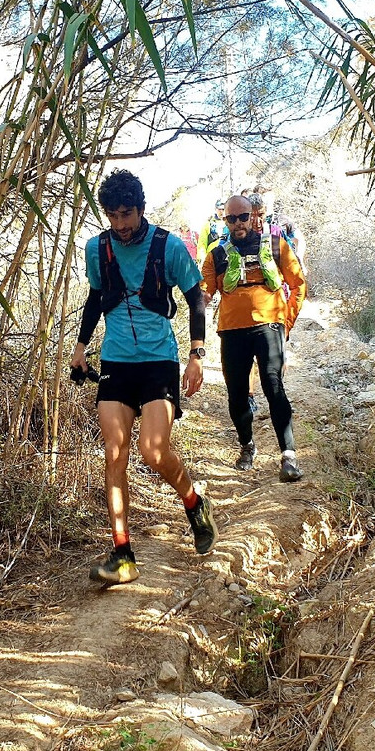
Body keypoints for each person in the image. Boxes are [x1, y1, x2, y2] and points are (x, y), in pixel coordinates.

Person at [71, 169, 216, 585]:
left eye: (127, 214)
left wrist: (196, 354)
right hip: (116, 359)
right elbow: (96, 297)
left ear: (141, 208)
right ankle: (122, 554)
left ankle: (194, 504)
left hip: (158, 360)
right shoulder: (97, 249)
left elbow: (194, 298)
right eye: (112, 216)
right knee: (114, 454)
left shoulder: (168, 246)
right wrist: (81, 346)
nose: (121, 224)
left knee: (154, 451)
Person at [202, 195, 306, 482]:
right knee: (236, 394)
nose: (238, 224)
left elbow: (298, 284)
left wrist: (287, 321)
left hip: (269, 325)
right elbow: (205, 290)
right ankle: (247, 445)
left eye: (243, 217)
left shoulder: (276, 246)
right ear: (225, 221)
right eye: (231, 219)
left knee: (274, 386)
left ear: (254, 216)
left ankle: (289, 456)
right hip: (232, 330)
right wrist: (198, 297)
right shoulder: (216, 255)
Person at [197, 199, 228, 264]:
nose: (221, 212)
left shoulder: (231, 224)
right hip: (212, 261)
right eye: (219, 209)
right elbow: (202, 244)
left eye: (223, 209)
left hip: (228, 260)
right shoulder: (208, 225)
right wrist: (203, 260)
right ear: (215, 209)